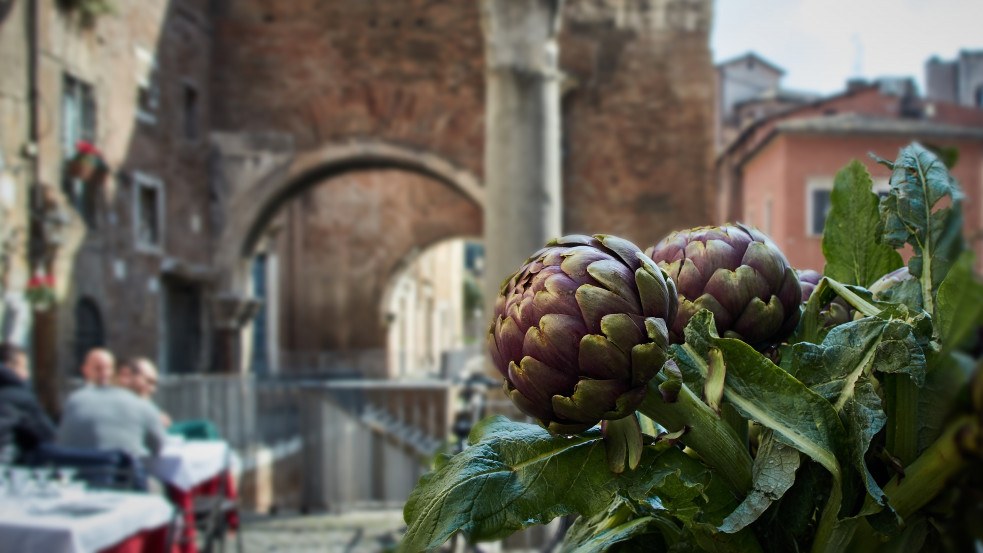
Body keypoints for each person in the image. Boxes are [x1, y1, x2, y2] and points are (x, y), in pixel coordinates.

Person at [56, 348, 165, 457]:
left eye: (108, 368)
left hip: (74, 469)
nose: (152, 389)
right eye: (148, 381)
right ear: (123, 374)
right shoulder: (142, 406)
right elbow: (159, 448)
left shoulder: (73, 400)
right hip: (118, 471)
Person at [0, 342, 56, 463]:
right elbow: (48, 436)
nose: (27, 374)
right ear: (8, 366)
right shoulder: (19, 396)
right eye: (24, 367)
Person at [118, 357, 171, 428]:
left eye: (154, 383)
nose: (153, 390)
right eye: (149, 381)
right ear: (127, 376)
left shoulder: (146, 404)